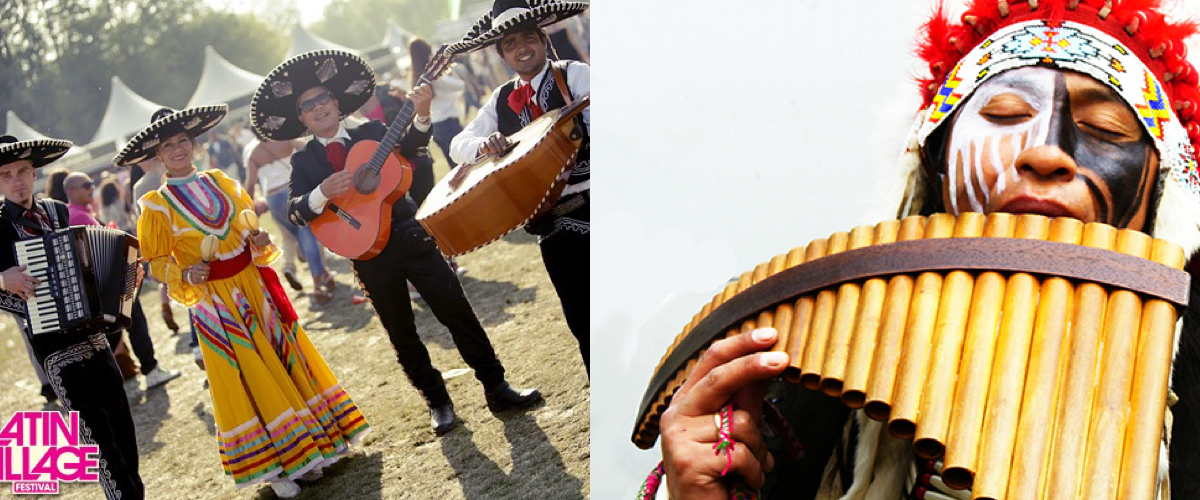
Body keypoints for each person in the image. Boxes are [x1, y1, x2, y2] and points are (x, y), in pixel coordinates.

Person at [653, 1, 1200, 499]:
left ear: (1160, 193)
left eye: (1104, 126)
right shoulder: (840, 358)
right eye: (1007, 114)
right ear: (934, 169)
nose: (1046, 151)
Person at [250, 49, 542, 436]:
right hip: (368, 257)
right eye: (308, 105)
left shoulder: (372, 132)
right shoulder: (304, 163)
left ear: (336, 102)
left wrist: (421, 114)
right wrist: (321, 192)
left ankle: (497, 386)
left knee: (457, 312)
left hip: (411, 236)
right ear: (301, 117)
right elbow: (294, 211)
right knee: (402, 334)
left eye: (323, 98)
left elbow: (416, 149)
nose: (318, 107)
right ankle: (437, 401)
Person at [114, 106, 370, 498]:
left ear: (195, 144)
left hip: (252, 286)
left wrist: (260, 242)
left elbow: (248, 227)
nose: (179, 149)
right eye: (169, 145)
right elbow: (157, 263)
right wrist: (185, 274)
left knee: (281, 359)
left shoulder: (222, 182)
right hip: (214, 302)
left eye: (183, 140)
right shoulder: (156, 205)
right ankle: (276, 468)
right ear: (159, 156)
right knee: (246, 373)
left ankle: (311, 450)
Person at [449, 0, 591, 373]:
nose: (521, 49)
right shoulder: (499, 100)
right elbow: (457, 145)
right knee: (581, 321)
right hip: (549, 228)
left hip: (595, 208)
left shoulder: (573, 75)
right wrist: (485, 144)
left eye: (528, 38)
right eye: (510, 44)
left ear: (543, 40)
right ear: (501, 54)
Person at [0, 135, 145, 499]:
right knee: (100, 442)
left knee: (124, 431)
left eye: (21, 171)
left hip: (95, 337)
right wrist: (3, 278)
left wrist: (126, 277)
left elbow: (87, 267)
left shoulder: (57, 211)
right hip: (54, 349)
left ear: (34, 173)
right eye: (5, 175)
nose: (16, 180)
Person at [64, 171, 182, 393]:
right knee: (133, 321)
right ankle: (151, 368)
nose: (92, 187)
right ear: (71, 191)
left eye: (92, 183)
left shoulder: (82, 212)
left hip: (105, 285)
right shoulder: (78, 216)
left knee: (117, 328)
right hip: (107, 286)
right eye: (86, 184)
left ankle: (141, 370)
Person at [243, 135, 336, 304]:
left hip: (272, 198)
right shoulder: (284, 138)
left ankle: (318, 272)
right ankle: (318, 282)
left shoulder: (253, 153)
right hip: (292, 190)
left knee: (296, 236)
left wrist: (248, 210)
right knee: (307, 232)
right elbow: (306, 148)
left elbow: (249, 185)